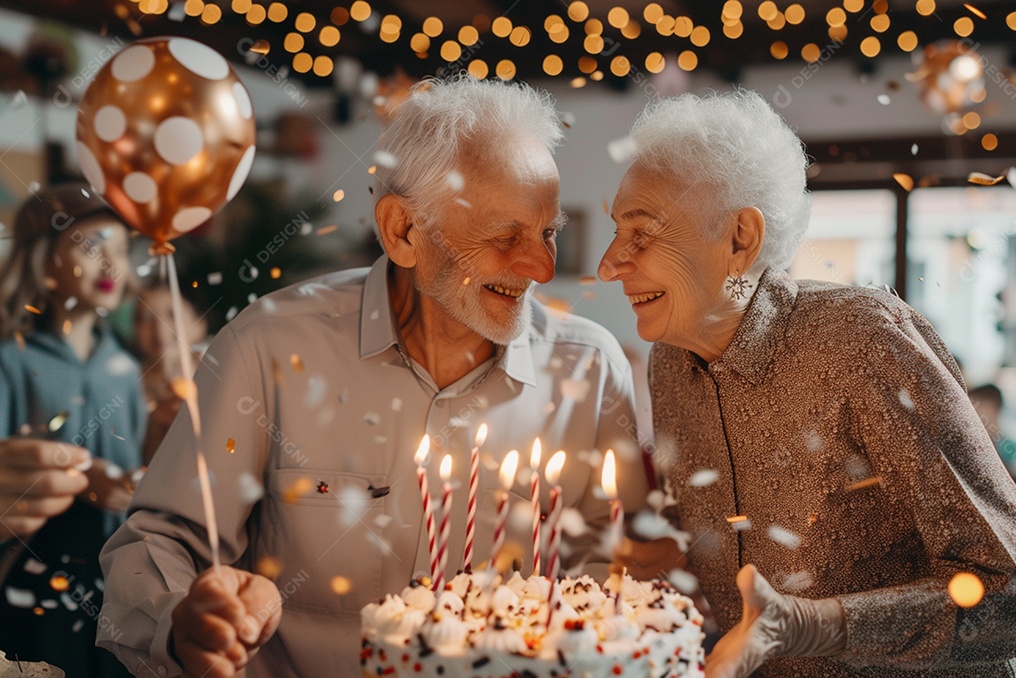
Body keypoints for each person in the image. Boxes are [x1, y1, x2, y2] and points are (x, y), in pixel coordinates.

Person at [98, 76, 649, 678]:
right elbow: (161, 541)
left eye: (548, 233)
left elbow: (620, 568)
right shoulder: (269, 347)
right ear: (403, 232)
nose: (541, 266)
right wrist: (183, 620)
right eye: (504, 236)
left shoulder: (589, 370)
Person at [599, 90, 1016, 677]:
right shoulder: (670, 362)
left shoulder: (861, 339)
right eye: (617, 230)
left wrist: (811, 625)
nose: (608, 263)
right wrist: (658, 555)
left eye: (641, 233)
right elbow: (740, 561)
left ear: (740, 238)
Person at [0, 183, 144, 677]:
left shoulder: (126, 365)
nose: (112, 266)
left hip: (119, 579)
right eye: (91, 247)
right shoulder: (10, 360)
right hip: (35, 578)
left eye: (122, 251)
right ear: (44, 260)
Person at [131, 281, 208, 465]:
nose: (160, 328)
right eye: (146, 318)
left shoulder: (217, 371)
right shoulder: (130, 383)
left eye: (172, 315)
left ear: (198, 323)